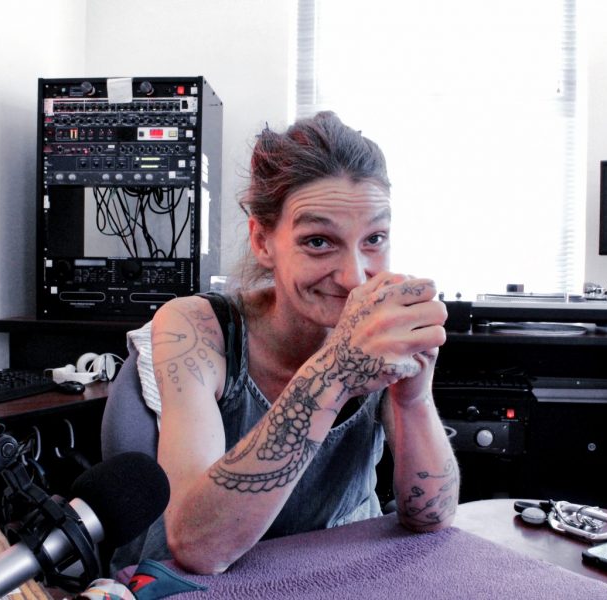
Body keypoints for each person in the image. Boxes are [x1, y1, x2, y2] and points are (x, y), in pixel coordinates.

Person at [114, 111, 458, 575]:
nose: (355, 275)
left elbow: (430, 516)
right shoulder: (198, 328)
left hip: (338, 573)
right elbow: (198, 547)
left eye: (374, 238)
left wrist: (414, 397)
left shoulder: (381, 334)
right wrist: (334, 372)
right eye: (318, 241)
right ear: (262, 240)